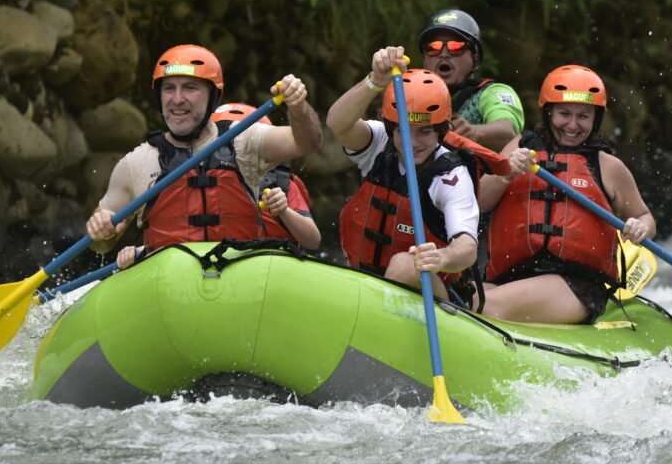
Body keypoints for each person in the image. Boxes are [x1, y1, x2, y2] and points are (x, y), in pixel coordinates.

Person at [85, 44, 322, 269]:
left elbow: (308, 142)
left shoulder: (245, 140)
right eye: (169, 88)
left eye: (190, 87)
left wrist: (298, 106)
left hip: (241, 277)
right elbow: (100, 245)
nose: (177, 99)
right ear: (159, 96)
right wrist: (100, 230)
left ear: (212, 96)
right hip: (169, 285)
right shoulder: (134, 163)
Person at [476, 64, 655, 324]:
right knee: (461, 295)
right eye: (564, 114)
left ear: (596, 119)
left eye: (583, 116)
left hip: (575, 285)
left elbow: (644, 216)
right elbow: (479, 203)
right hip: (512, 275)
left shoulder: (607, 166)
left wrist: (641, 227)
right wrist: (506, 173)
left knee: (482, 304)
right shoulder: (520, 147)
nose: (572, 125)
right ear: (548, 113)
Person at [327, 46, 507, 300]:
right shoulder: (379, 142)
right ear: (392, 128)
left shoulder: (452, 176)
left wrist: (441, 257)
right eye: (404, 130)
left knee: (404, 264)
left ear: (441, 132)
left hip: (435, 296)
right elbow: (337, 123)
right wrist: (375, 81)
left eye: (424, 132)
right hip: (365, 285)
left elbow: (467, 248)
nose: (413, 142)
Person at [211, 103, 321, 250]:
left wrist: (284, 211)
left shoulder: (282, 184)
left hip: (273, 265)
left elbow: (313, 241)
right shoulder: (208, 182)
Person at [418, 8, 525, 152]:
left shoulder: (492, 93)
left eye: (456, 47)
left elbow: (508, 132)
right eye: (433, 47)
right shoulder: (408, 95)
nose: (443, 54)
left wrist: (474, 133)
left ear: (474, 58)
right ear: (424, 58)